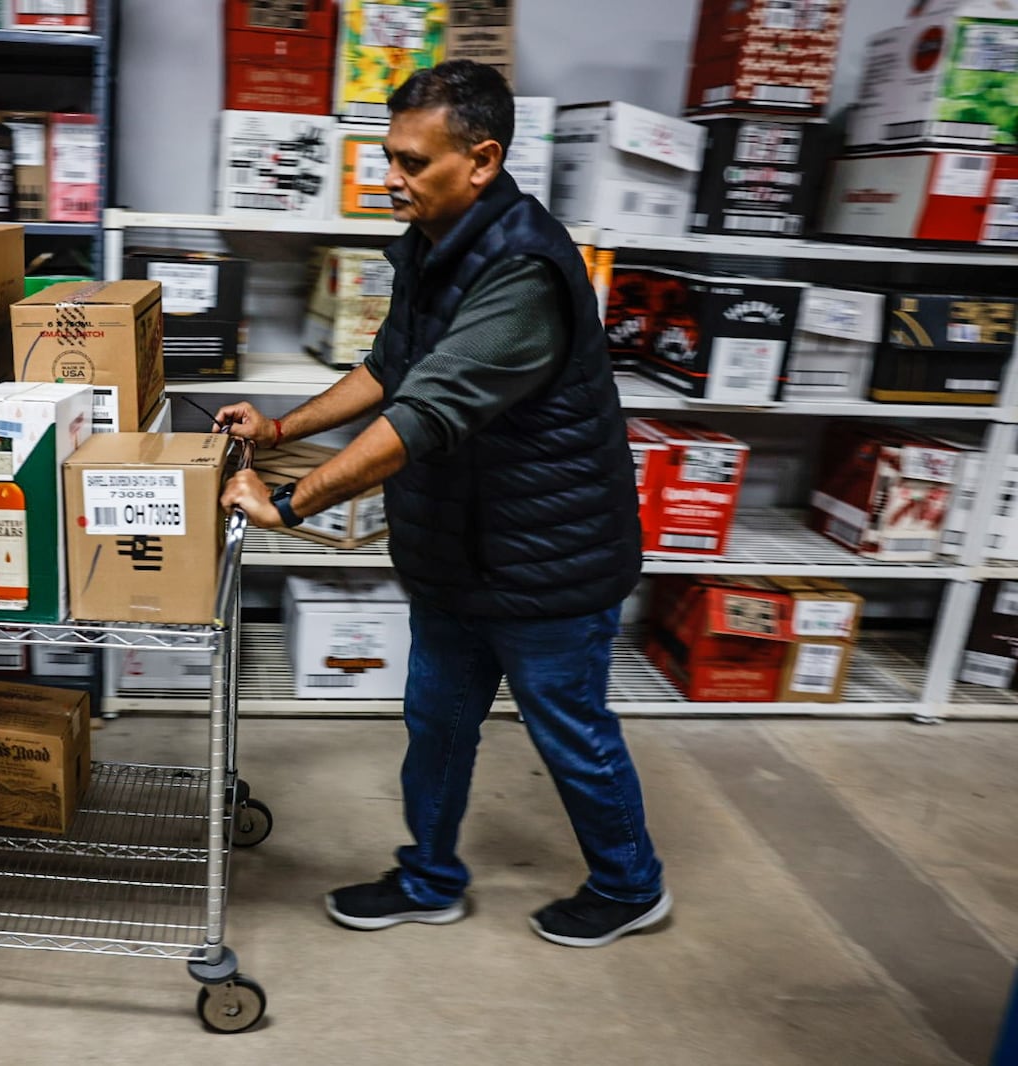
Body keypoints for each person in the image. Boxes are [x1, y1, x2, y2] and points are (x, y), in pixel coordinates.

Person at [215, 60, 669, 949]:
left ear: (482, 159)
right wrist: (278, 431)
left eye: (413, 162)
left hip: (549, 560)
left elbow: (426, 412)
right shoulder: (433, 244)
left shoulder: (526, 275)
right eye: (391, 157)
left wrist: (290, 501)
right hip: (459, 551)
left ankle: (630, 885)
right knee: (438, 725)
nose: (393, 178)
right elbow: (390, 369)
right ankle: (429, 878)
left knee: (571, 733)